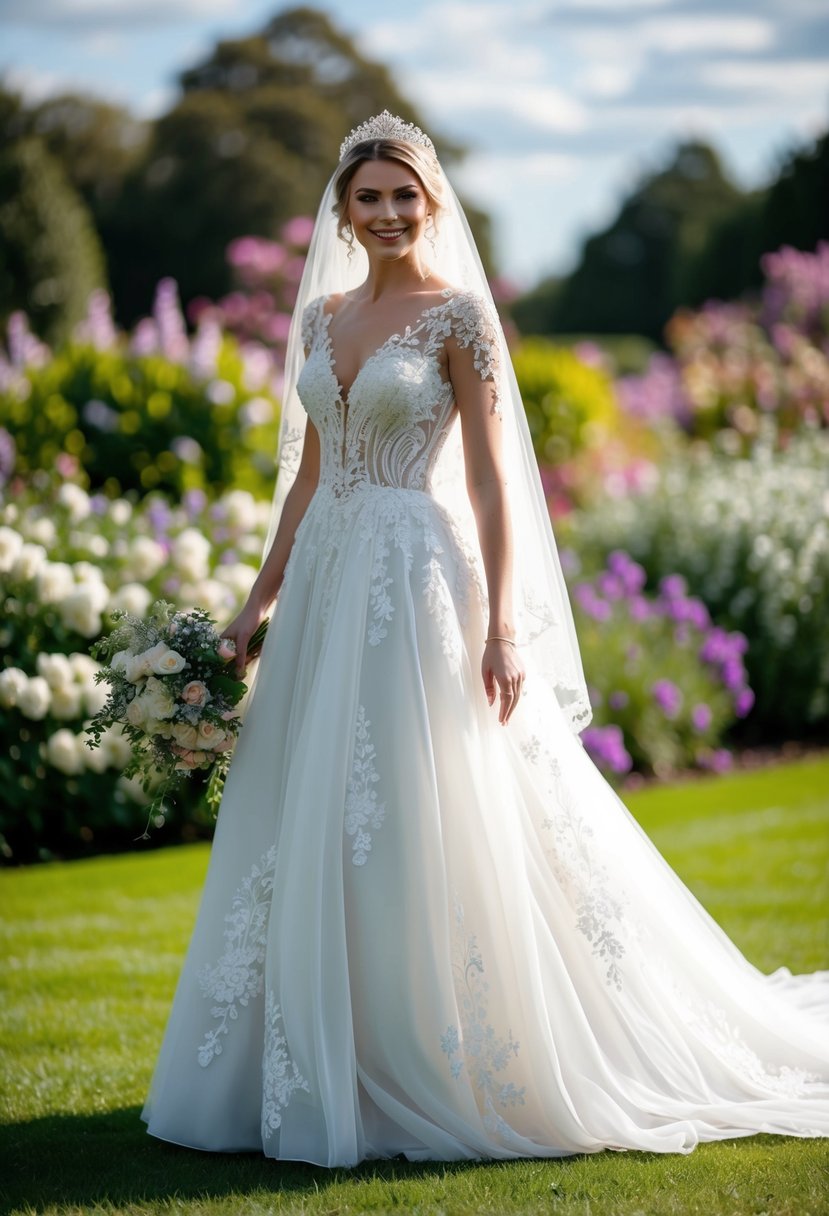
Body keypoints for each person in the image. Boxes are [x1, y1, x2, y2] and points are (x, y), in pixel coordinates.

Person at [140, 111, 829, 1167]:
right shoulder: (320, 319)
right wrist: (256, 602)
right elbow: (310, 478)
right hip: (327, 577)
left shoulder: (458, 317)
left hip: (417, 578)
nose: (383, 214)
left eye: (401, 196)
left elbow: (494, 484)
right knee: (309, 806)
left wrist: (505, 625)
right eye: (365, 197)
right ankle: (320, 1050)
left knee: (422, 799)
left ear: (431, 204)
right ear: (341, 210)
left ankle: (437, 1045)